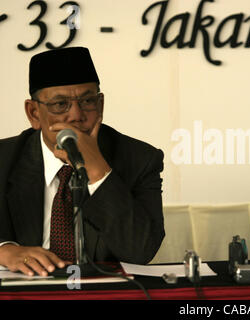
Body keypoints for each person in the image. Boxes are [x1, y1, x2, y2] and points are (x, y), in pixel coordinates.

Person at [0, 47, 165, 276]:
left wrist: (98, 170)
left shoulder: (140, 159)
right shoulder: (4, 159)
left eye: (87, 101)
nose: (77, 115)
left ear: (101, 105)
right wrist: (4, 251)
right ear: (34, 113)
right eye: (60, 104)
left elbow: (141, 251)